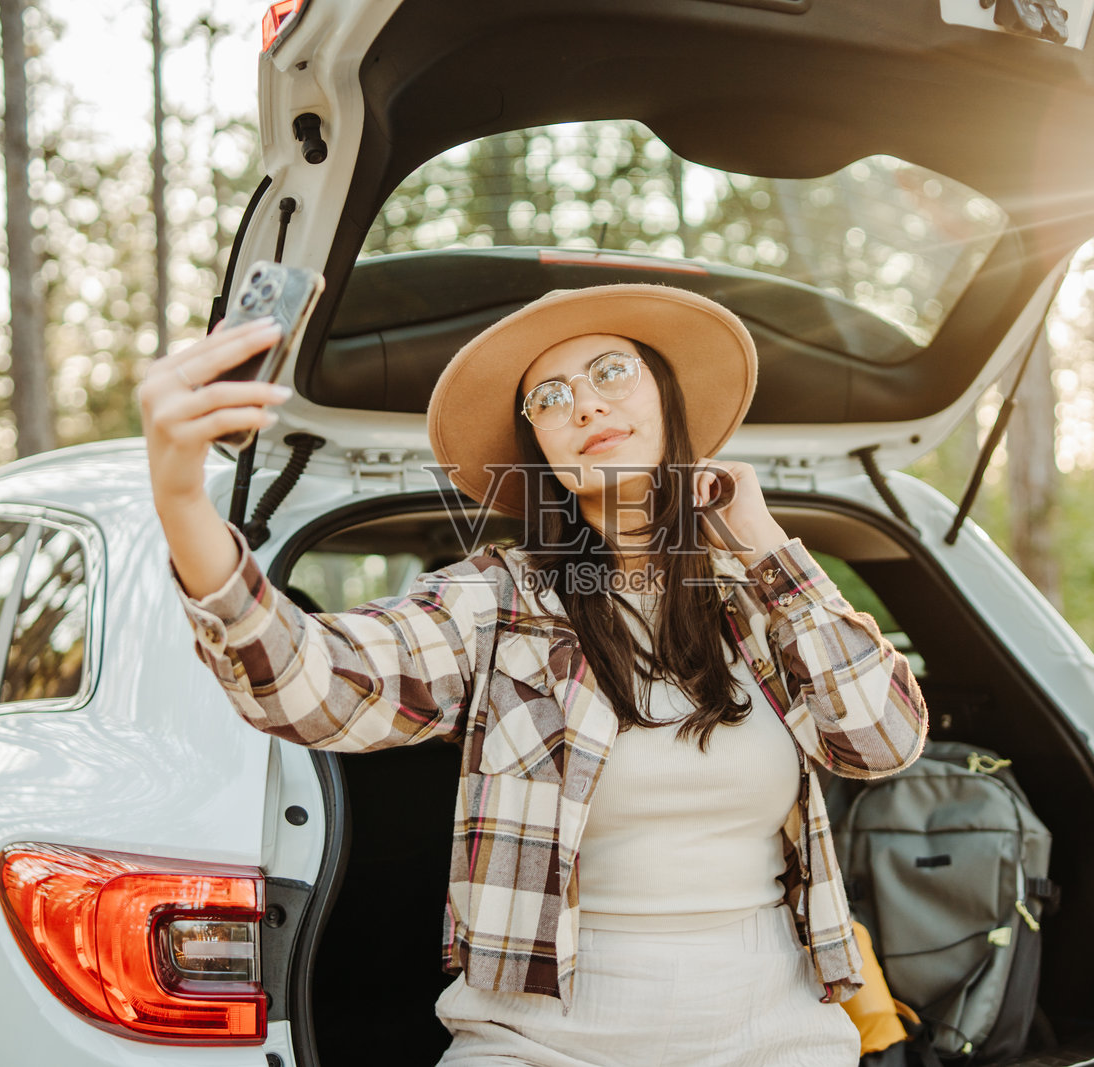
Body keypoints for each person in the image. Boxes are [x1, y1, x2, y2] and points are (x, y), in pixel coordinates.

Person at [139, 282, 929, 1066]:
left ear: (668, 401)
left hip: (777, 1036)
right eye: (550, 397)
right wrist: (180, 498)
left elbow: (884, 739)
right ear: (542, 451)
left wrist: (762, 540)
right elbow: (312, 685)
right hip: (540, 1044)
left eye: (611, 373)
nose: (584, 405)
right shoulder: (495, 600)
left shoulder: (760, 595)